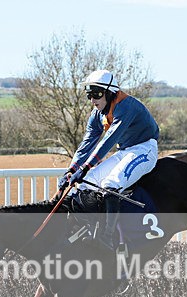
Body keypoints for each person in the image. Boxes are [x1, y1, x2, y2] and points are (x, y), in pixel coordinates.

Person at [59, 69, 159, 251]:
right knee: (85, 184)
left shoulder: (126, 106)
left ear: (110, 92)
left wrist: (86, 167)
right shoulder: (97, 114)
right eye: (89, 95)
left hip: (144, 149)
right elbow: (87, 144)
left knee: (110, 184)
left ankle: (108, 238)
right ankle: (88, 229)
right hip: (124, 151)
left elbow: (109, 140)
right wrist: (71, 170)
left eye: (96, 94)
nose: (92, 100)